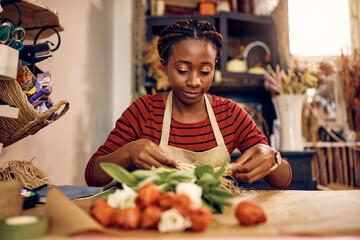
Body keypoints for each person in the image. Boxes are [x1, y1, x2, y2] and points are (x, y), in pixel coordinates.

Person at [85, 19, 292, 189]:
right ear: (164, 66)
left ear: (214, 68)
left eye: (205, 71)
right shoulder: (144, 111)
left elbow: (283, 180)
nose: (194, 81)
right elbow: (93, 176)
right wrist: (128, 152)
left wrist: (271, 158)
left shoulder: (229, 114)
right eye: (183, 70)